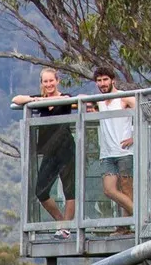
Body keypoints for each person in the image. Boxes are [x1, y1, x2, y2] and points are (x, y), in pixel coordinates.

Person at [21, 67, 77, 223]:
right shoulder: (40, 100)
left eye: (51, 80)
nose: (49, 84)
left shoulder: (65, 98)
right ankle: (61, 221)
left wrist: (41, 101)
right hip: (49, 150)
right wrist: (36, 100)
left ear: (57, 81)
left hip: (66, 147)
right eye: (45, 81)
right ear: (42, 83)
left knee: (69, 189)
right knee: (41, 191)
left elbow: (75, 100)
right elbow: (17, 99)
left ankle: (65, 228)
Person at [90, 65, 137, 218]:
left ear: (112, 80)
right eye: (99, 80)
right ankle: (139, 216)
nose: (102, 83)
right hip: (107, 153)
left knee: (126, 189)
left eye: (105, 79)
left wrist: (135, 136)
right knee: (109, 189)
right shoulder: (99, 100)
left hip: (125, 152)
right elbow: (81, 102)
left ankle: (127, 225)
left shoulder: (123, 97)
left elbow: (144, 110)